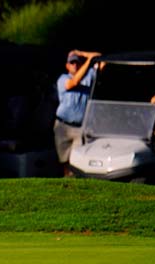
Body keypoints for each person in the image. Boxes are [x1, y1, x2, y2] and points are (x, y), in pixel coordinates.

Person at [54, 49, 102, 177]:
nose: (75, 65)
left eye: (77, 62)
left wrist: (83, 54)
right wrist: (88, 62)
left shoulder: (89, 76)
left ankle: (76, 183)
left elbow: (101, 60)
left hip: (80, 127)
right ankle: (66, 182)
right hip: (63, 125)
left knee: (77, 160)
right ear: (67, 66)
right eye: (72, 63)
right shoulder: (62, 79)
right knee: (64, 160)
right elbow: (74, 82)